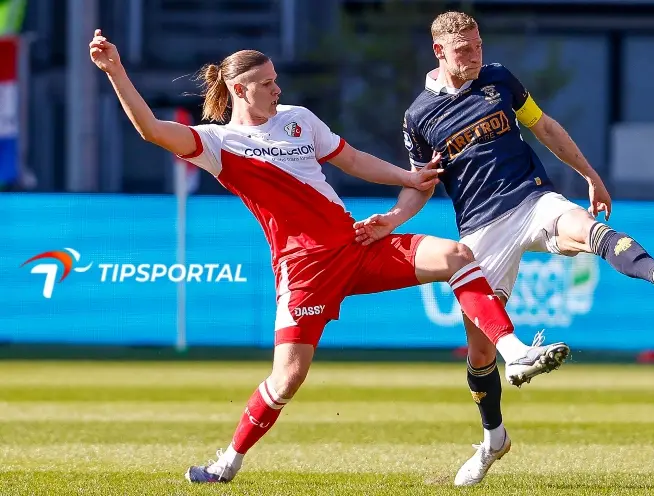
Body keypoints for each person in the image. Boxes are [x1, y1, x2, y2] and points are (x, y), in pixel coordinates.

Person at [89, 29, 571, 484]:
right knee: (288, 378)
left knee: (457, 254)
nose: (277, 89)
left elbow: (353, 160)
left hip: (355, 244)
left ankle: (514, 352)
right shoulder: (217, 143)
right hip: (304, 271)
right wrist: (114, 71)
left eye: (277, 79)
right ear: (239, 89)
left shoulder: (299, 119)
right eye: (266, 83)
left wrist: (409, 178)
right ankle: (227, 462)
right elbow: (152, 130)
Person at [352, 11, 654, 487]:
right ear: (439, 53)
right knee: (479, 357)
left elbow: (546, 127)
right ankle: (494, 438)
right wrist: (391, 219)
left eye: (478, 45)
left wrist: (590, 175)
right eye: (463, 51)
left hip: (532, 198)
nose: (475, 56)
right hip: (479, 230)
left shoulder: (499, 81)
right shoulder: (419, 116)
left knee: (587, 227)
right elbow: (421, 183)